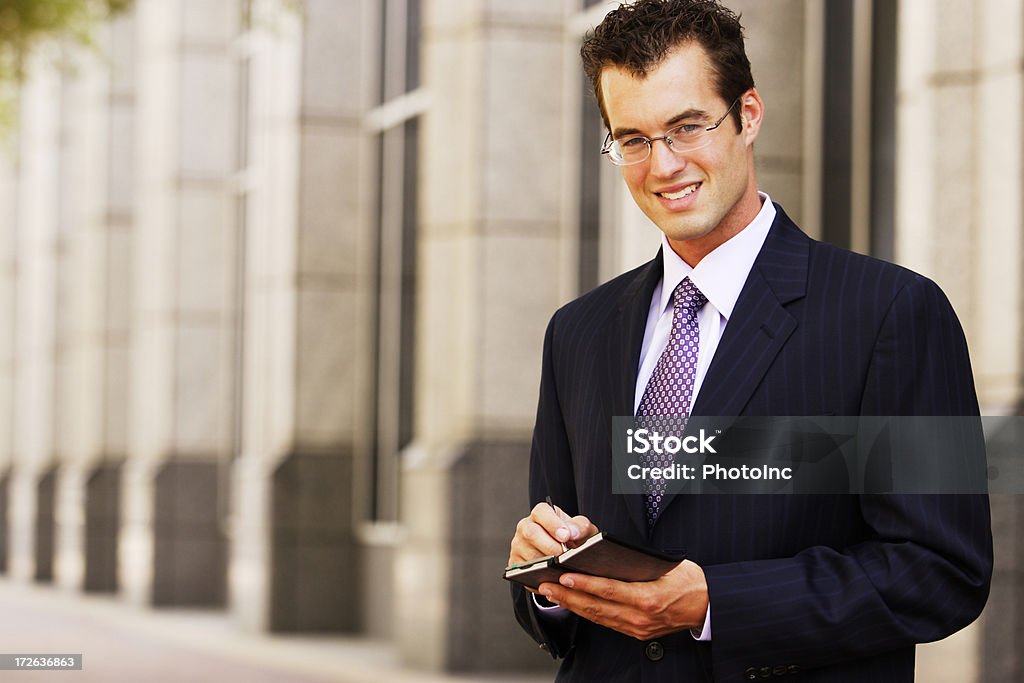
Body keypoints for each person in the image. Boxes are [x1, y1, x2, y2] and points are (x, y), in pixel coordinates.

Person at [507, 1, 993, 681]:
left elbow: (942, 569)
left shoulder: (892, 314)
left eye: (687, 127)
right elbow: (557, 572)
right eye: (634, 139)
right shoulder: (578, 333)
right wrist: (544, 580)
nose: (663, 164)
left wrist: (717, 602)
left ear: (750, 115)